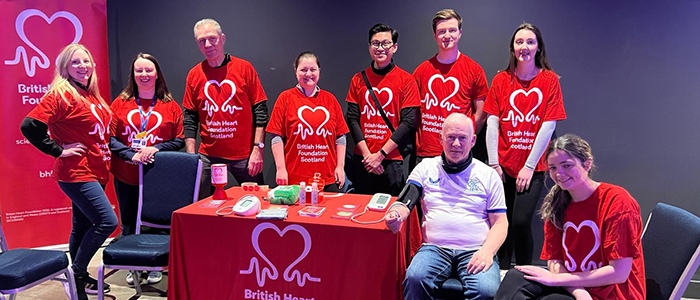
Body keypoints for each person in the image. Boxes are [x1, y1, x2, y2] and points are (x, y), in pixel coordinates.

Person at [494, 134, 645, 300]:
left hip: (613, 294)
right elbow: (555, 261)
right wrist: (578, 291)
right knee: (516, 275)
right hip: (577, 287)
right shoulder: (557, 203)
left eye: (567, 165)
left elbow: (619, 273)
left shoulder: (617, 202)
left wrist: (560, 280)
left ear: (587, 164)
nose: (559, 173)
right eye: (552, 168)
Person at [19, 44, 117, 300]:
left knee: (82, 225)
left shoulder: (88, 93)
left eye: (86, 61)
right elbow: (29, 125)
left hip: (96, 169)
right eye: (75, 62)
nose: (83, 66)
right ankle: (78, 271)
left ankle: (79, 282)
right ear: (65, 67)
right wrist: (57, 150)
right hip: (76, 172)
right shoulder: (62, 94)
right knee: (108, 221)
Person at [385, 113, 508, 300]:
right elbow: (405, 201)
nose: (456, 144)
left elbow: (500, 223)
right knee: (414, 278)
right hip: (434, 248)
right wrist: (395, 214)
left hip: (476, 248)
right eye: (450, 137)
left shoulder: (488, 175)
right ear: (441, 138)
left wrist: (487, 251)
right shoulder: (426, 167)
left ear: (473, 140)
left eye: (462, 138)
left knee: (487, 290)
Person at [483, 23, 566, 269]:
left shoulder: (550, 81)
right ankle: (500, 273)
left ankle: (523, 273)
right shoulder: (501, 79)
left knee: (520, 222)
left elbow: (548, 127)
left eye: (530, 42)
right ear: (513, 47)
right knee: (500, 222)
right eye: (519, 42)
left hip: (534, 167)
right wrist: (494, 164)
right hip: (502, 166)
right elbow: (492, 124)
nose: (524, 47)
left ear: (538, 47)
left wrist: (529, 166)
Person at [109, 53, 184, 285]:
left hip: (157, 176)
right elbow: (109, 138)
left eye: (148, 70)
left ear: (157, 73)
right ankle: (133, 267)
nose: (144, 75)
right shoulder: (120, 103)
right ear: (132, 74)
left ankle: (154, 266)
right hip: (127, 173)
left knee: (155, 223)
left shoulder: (169, 105)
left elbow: (180, 139)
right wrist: (131, 154)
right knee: (129, 222)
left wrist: (156, 148)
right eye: (139, 70)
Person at [183, 18, 268, 199]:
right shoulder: (194, 75)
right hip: (208, 157)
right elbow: (190, 117)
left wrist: (257, 149)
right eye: (201, 41)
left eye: (212, 38)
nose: (208, 44)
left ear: (222, 38)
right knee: (201, 206)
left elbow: (260, 111)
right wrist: (191, 158)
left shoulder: (244, 69)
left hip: (244, 155)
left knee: (259, 202)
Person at [345, 23, 420, 196]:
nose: (380, 48)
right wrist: (368, 156)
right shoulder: (358, 79)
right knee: (361, 213)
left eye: (385, 43)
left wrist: (379, 156)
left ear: (394, 47)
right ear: (369, 47)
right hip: (363, 159)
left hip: (392, 160)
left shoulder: (406, 80)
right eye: (375, 43)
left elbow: (408, 122)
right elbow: (353, 119)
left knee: (390, 214)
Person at [413, 9, 489, 165]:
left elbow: (481, 113)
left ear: (460, 33)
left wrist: (464, 139)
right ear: (435, 36)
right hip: (425, 153)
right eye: (441, 31)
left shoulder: (474, 70)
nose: (447, 36)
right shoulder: (421, 71)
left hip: (458, 153)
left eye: (452, 30)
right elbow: (413, 114)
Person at [266, 52, 349, 192]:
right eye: (303, 70)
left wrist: (340, 167)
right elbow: (276, 136)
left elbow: (340, 136)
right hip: (294, 179)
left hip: (328, 178)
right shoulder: (285, 98)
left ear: (319, 71)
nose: (308, 74)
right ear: (296, 72)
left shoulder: (330, 99)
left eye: (313, 69)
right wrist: (280, 169)